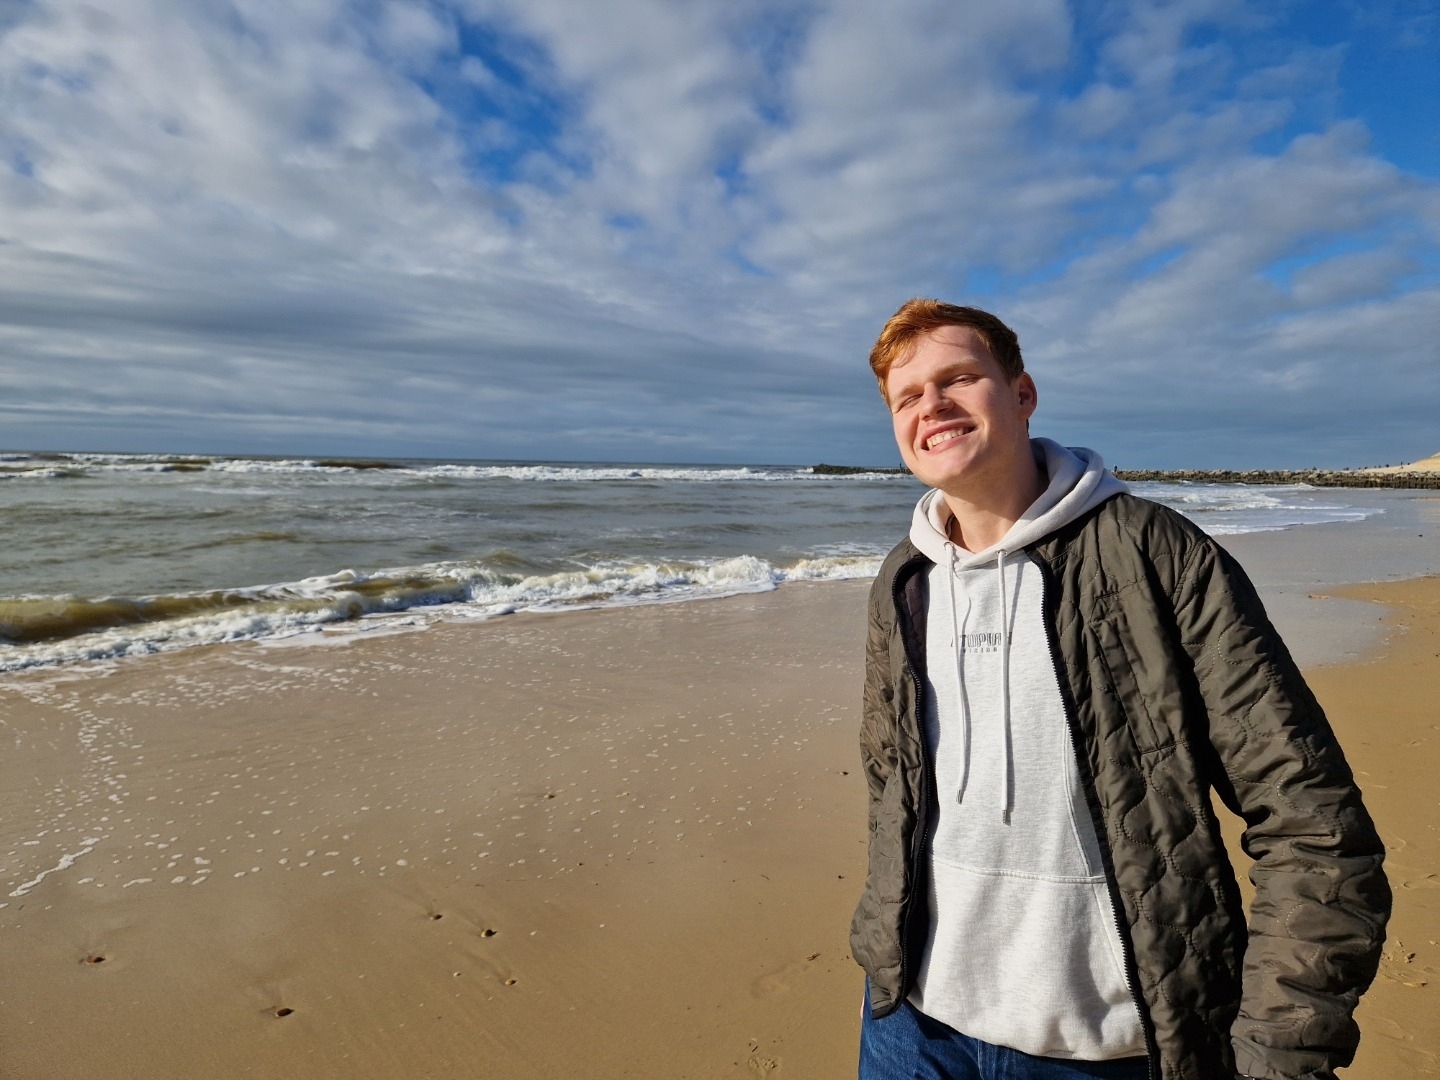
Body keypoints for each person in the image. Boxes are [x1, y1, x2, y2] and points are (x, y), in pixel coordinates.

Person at [850, 300, 1390, 1080]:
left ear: (1022, 394)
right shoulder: (903, 580)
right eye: (907, 397)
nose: (931, 405)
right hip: (912, 1029)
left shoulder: (1152, 554)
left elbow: (1310, 817)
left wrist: (1280, 1049)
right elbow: (889, 784)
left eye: (958, 378)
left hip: (1113, 1047)